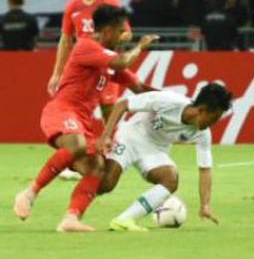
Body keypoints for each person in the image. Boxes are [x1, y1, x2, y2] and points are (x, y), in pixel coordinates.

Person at [12, 5, 158, 232]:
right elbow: (122, 62)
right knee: (77, 143)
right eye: (120, 32)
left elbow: (139, 87)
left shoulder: (107, 60)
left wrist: (174, 102)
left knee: (98, 169)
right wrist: (140, 47)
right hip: (61, 112)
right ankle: (30, 192)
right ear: (107, 31)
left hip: (82, 122)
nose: (122, 37)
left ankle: (71, 218)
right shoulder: (86, 46)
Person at [96, 84, 232, 231]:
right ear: (202, 110)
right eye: (213, 119)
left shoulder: (202, 134)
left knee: (170, 179)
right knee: (106, 184)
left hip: (154, 151)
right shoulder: (168, 100)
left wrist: (205, 205)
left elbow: (205, 169)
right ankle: (76, 166)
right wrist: (106, 136)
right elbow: (122, 105)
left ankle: (124, 220)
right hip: (130, 137)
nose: (212, 124)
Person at [47, 0, 133, 180]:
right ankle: (71, 158)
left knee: (108, 107)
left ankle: (110, 150)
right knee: (73, 108)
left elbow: (127, 33)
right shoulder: (73, 7)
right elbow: (65, 40)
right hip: (82, 68)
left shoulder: (110, 4)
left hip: (104, 65)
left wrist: (112, 40)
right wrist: (57, 73)